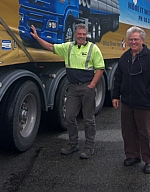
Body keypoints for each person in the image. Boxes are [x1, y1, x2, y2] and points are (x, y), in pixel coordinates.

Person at [30, 23, 105, 159]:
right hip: (73, 88)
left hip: (87, 88)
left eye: (83, 34)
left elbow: (100, 68)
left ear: (86, 35)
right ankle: (73, 143)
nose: (81, 36)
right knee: (69, 117)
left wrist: (92, 85)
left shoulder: (93, 49)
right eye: (79, 34)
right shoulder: (68, 47)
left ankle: (89, 146)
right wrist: (37, 38)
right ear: (75, 34)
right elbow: (51, 47)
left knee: (88, 119)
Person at [112, 26, 150, 174]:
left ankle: (149, 161)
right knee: (128, 131)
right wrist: (115, 96)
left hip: (144, 104)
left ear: (142, 40)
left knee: (146, 133)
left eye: (136, 39)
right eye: (131, 40)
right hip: (127, 103)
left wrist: (148, 93)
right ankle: (132, 155)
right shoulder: (125, 57)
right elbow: (118, 78)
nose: (133, 42)